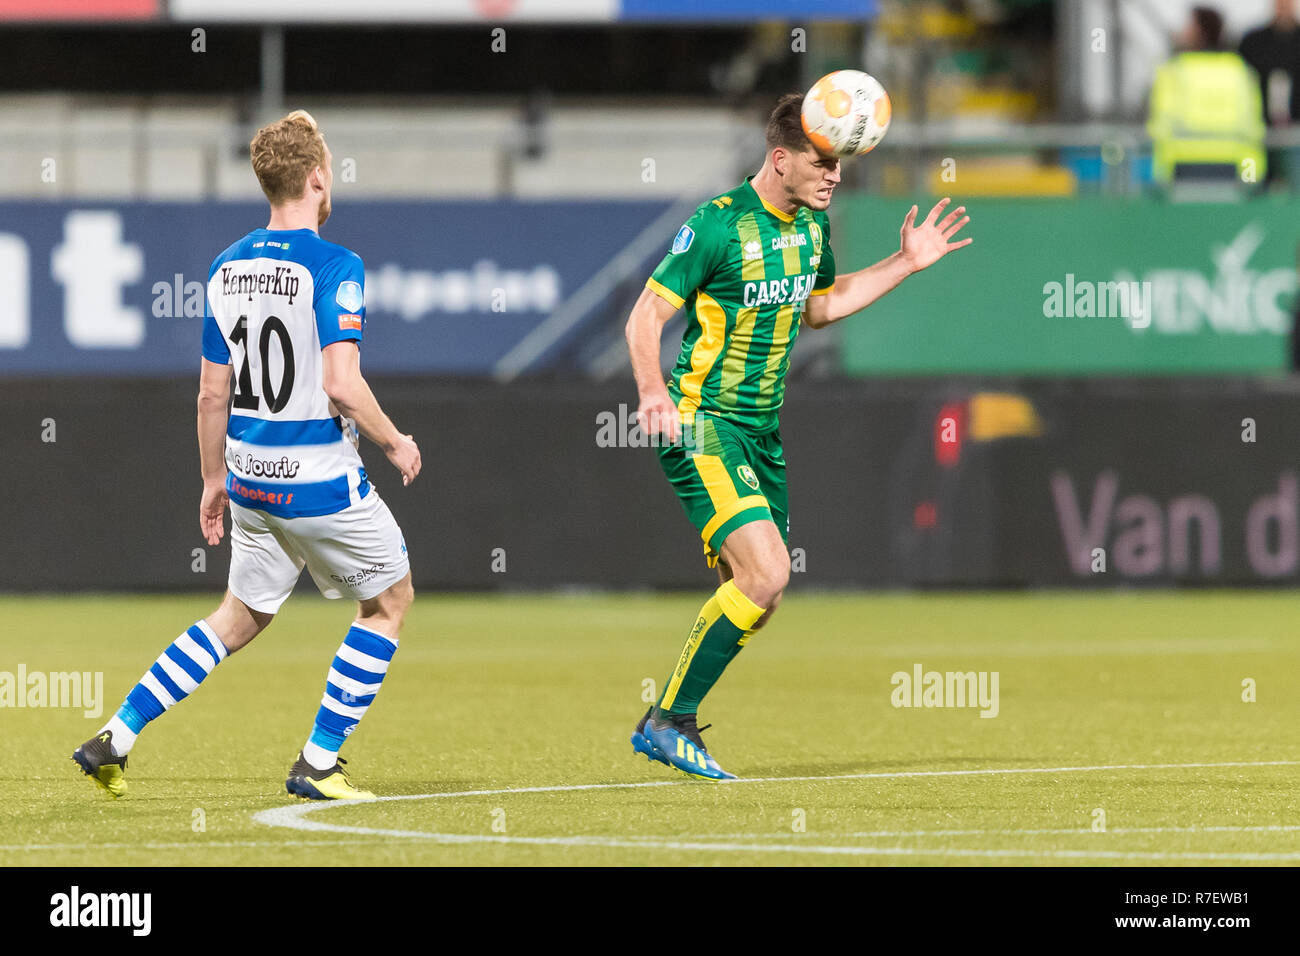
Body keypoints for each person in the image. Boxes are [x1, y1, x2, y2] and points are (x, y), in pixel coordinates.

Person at [72, 110, 421, 801]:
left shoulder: (227, 265)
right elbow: (341, 383)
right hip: (319, 479)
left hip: (251, 477)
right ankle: (317, 763)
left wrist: (211, 481)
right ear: (318, 179)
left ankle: (115, 735)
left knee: (237, 617)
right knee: (388, 604)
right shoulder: (335, 265)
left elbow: (210, 393)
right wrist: (394, 440)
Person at [624, 92, 972, 780]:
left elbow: (820, 307)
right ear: (780, 158)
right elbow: (644, 316)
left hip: (761, 435)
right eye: (822, 161)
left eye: (839, 162)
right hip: (703, 421)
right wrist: (651, 393)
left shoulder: (811, 228)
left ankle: (673, 718)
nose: (835, 174)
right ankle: (665, 721)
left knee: (762, 591)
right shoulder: (718, 226)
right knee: (769, 572)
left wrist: (904, 263)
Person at [1148, 6, 1267, 187]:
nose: (1183, 32)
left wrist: (1160, 172)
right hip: (1232, 164)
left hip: (1181, 165)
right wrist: (1252, 173)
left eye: (1189, 26)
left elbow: (1160, 124)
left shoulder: (1173, 70)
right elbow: (1252, 123)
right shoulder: (1238, 70)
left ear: (1201, 32)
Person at [1240, 0, 1300, 186]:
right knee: (1251, 181)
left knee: (1294, 185)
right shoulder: (1254, 41)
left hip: (1295, 133)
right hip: (1257, 131)